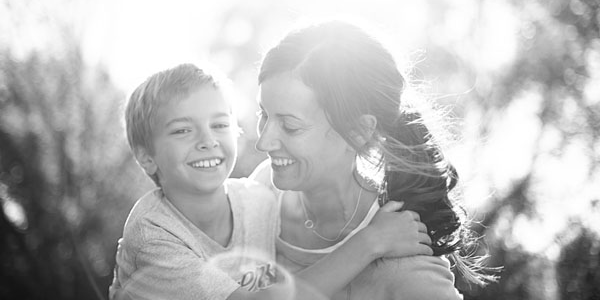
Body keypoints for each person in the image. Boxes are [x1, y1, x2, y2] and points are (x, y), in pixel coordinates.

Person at [108, 63, 434, 300]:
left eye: (219, 125)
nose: (207, 141)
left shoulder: (257, 198)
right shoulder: (154, 235)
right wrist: (369, 243)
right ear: (147, 157)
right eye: (182, 130)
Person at [251, 20, 493, 300]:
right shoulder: (262, 190)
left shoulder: (406, 263)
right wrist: (366, 245)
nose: (263, 142)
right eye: (264, 115)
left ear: (359, 131)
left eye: (290, 126)